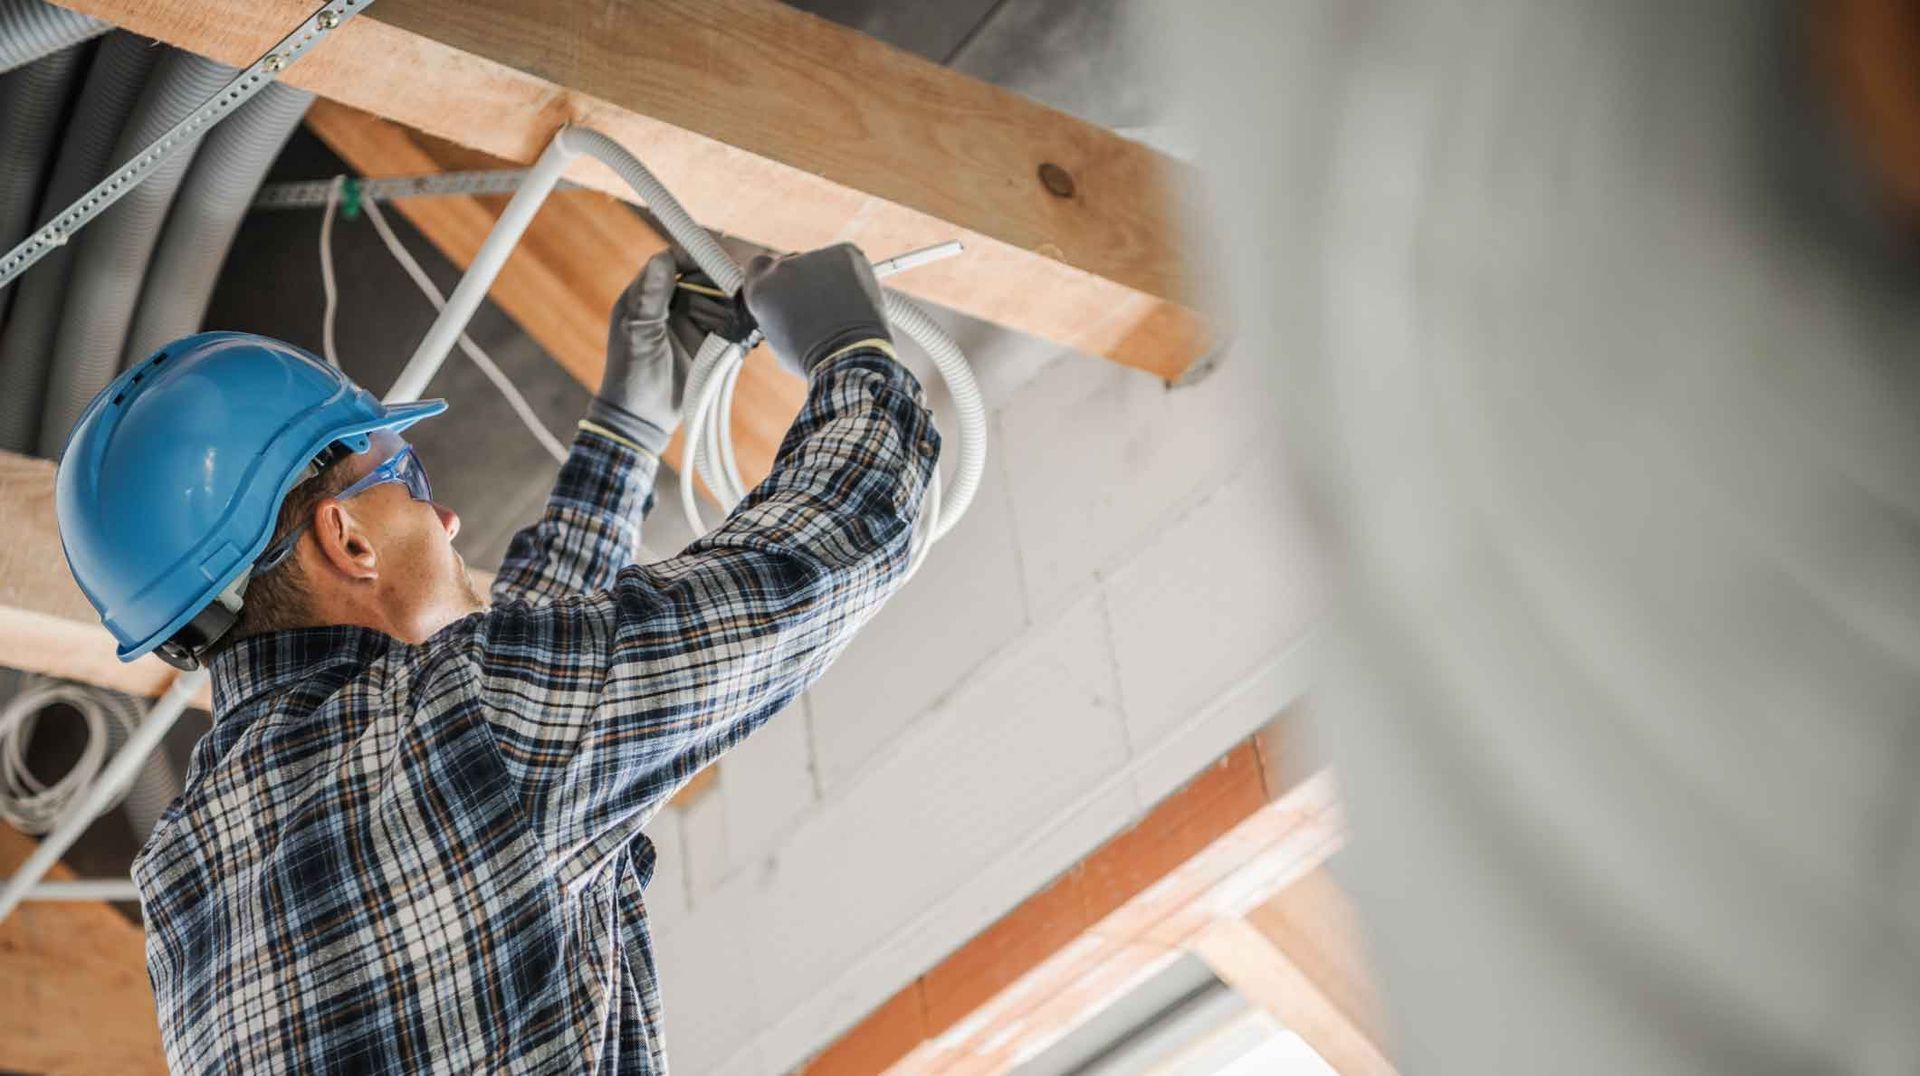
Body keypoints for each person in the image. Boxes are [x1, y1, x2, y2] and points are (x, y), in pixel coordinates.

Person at [55, 244, 938, 1073]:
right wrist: (851, 347)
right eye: (411, 480)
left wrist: (623, 434)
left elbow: (492, 724)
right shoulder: (465, 731)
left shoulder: (185, 873)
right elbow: (837, 545)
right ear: (348, 538)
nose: (446, 522)